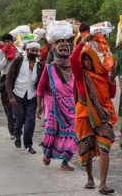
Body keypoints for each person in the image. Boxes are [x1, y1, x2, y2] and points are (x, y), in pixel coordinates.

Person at [70, 32, 117, 194]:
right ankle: (90, 178)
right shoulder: (79, 74)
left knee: (105, 147)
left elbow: (111, 94)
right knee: (87, 148)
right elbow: (72, 59)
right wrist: (83, 41)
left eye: (89, 59)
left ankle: (103, 184)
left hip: (103, 114)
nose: (86, 62)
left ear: (94, 59)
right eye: (84, 59)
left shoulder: (102, 75)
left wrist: (112, 82)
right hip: (84, 114)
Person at [36, 41, 77, 171]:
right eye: (62, 49)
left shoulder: (73, 68)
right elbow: (41, 87)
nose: (64, 51)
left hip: (70, 105)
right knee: (53, 131)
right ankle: (47, 154)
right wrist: (39, 106)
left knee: (72, 132)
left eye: (66, 50)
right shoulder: (49, 68)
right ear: (57, 51)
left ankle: (65, 161)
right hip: (52, 103)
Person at [5, 42, 44, 154]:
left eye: (36, 51)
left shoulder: (40, 65)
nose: (34, 53)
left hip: (32, 97)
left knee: (30, 121)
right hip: (17, 95)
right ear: (27, 50)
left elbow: (40, 84)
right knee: (19, 119)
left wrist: (40, 102)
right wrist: (11, 96)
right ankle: (17, 135)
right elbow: (9, 80)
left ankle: (28, 145)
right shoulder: (18, 61)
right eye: (32, 50)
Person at [0, 33, 20, 139]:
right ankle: (13, 131)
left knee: (17, 106)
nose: (7, 43)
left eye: (9, 41)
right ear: (2, 42)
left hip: (16, 80)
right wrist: (6, 58)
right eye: (5, 41)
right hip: (5, 79)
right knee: (8, 107)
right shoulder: (0, 52)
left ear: (12, 41)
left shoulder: (17, 51)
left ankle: (18, 128)